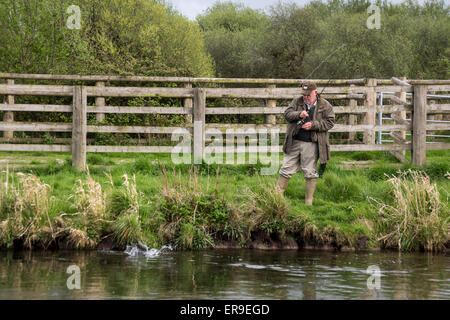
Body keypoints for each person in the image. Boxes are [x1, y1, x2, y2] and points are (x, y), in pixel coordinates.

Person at [276, 81, 335, 205]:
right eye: (304, 94)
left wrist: (314, 125)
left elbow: (330, 122)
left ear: (315, 92)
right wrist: (299, 114)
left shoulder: (325, 105)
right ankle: (276, 199)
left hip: (311, 144)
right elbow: (287, 114)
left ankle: (308, 203)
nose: (306, 97)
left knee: (310, 172)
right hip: (294, 142)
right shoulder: (297, 101)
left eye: (308, 95)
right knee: (286, 169)